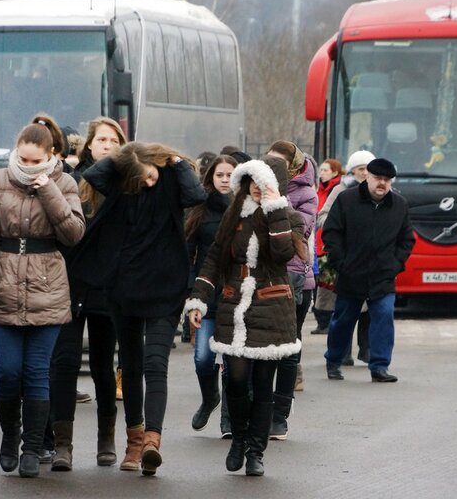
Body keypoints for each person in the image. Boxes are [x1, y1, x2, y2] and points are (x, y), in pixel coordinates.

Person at [70, 142, 205, 477]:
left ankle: (151, 442)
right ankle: (133, 440)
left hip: (165, 286)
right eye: (140, 179)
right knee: (129, 367)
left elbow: (196, 194)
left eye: (149, 175)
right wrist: (124, 158)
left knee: (155, 364)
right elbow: (92, 174)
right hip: (123, 287)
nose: (146, 183)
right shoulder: (123, 182)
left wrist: (173, 161)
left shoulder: (172, 180)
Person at [0, 116, 86, 478]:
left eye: (37, 161)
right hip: (5, 285)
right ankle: (10, 435)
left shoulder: (64, 183)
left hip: (47, 287)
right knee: (7, 372)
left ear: (51, 155)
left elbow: (73, 233)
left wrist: (47, 189)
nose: (28, 166)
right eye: (24, 159)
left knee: (37, 372)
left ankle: (33, 448)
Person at [185, 155, 304, 476]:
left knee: (264, 386)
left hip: (272, 307)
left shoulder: (286, 216)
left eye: (263, 184)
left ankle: (255, 451)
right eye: (252, 183)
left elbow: (282, 255)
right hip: (234, 306)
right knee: (236, 380)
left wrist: (274, 207)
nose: (256, 189)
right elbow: (213, 259)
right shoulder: (233, 214)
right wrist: (198, 299)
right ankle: (238, 438)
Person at [49, 117, 126, 472]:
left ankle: (106, 440)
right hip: (71, 283)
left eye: (113, 140)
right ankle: (62, 443)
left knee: (101, 367)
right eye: (101, 140)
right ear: (90, 145)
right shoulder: (75, 183)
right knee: (63, 362)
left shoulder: (128, 186)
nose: (107, 145)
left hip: (107, 287)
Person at [324, 157, 414, 383]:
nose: (382, 183)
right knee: (343, 320)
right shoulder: (347, 199)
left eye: (386, 180)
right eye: (377, 178)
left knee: (383, 316)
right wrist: (340, 263)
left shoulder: (399, 204)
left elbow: (406, 239)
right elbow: (332, 232)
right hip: (351, 273)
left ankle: (380, 366)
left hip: (383, 275)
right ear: (367, 177)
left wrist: (396, 264)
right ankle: (334, 361)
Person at [265, 141, 317, 439]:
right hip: (263, 277)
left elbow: (301, 232)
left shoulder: (306, 194)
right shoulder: (254, 187)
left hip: (295, 278)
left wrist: (276, 200)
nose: (273, 169)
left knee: (287, 349)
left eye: (280, 164)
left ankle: (281, 412)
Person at [184, 155, 238, 437]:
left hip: (237, 298)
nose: (225, 180)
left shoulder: (245, 209)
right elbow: (189, 253)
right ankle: (209, 398)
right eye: (220, 175)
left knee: (233, 363)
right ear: (211, 178)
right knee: (203, 359)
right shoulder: (200, 210)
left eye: (230, 175)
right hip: (206, 296)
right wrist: (192, 291)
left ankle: (228, 420)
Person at [315, 150, 375, 363]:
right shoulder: (340, 190)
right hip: (347, 258)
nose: (365, 173)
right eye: (361, 169)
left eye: (369, 169)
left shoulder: (380, 192)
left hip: (371, 259)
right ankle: (344, 353)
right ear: (352, 170)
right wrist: (340, 226)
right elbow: (322, 216)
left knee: (369, 308)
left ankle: (366, 350)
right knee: (346, 308)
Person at [311, 158, 344, 334]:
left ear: (335, 173)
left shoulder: (337, 190)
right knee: (320, 285)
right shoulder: (318, 190)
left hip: (326, 244)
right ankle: (322, 321)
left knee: (328, 285)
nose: (321, 173)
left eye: (325, 170)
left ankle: (327, 321)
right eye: (320, 170)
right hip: (315, 242)